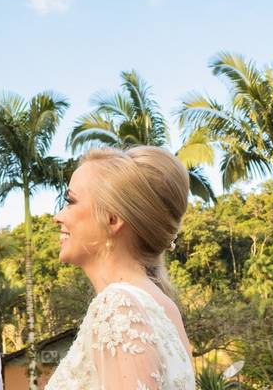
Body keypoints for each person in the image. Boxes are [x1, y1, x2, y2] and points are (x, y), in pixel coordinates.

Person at [46, 146, 195, 390]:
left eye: (70, 201)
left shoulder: (118, 305)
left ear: (112, 219)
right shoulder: (165, 306)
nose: (58, 216)